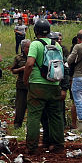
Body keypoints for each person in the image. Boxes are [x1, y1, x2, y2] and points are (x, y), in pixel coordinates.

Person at [24, 19, 64, 154]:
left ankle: (32, 147)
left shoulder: (35, 44)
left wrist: (25, 79)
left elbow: (29, 64)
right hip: (54, 84)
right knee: (55, 116)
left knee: (34, 116)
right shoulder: (57, 45)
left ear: (36, 31)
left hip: (37, 85)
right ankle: (58, 144)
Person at [11, 39, 31, 127]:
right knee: (20, 106)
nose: (29, 49)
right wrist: (21, 69)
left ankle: (30, 124)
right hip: (21, 85)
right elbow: (13, 70)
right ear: (23, 48)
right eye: (28, 47)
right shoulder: (18, 58)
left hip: (32, 85)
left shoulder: (34, 57)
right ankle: (17, 124)